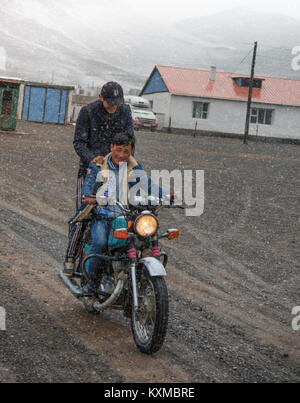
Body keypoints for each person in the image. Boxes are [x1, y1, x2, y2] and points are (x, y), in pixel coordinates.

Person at [78, 131, 167, 292]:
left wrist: (167, 196)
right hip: (103, 217)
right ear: (111, 147)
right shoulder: (98, 165)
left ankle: (136, 276)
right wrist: (90, 196)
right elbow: (88, 186)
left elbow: (149, 185)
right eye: (118, 149)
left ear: (131, 151)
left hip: (126, 217)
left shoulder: (134, 167)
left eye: (126, 151)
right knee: (99, 243)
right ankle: (89, 282)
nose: (121, 155)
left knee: (143, 239)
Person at [63, 81, 134, 276]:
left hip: (117, 170)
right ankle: (70, 257)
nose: (114, 107)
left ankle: (116, 260)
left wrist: (125, 159)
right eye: (110, 103)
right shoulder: (88, 112)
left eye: (117, 103)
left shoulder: (124, 112)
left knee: (122, 213)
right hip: (90, 172)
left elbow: (130, 139)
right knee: (83, 215)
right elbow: (78, 142)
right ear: (100, 98)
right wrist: (91, 158)